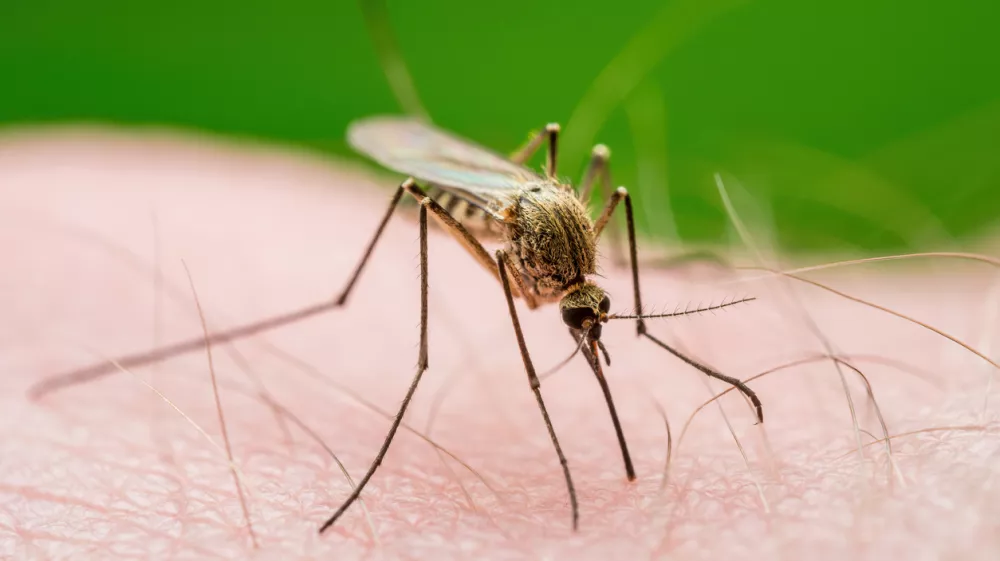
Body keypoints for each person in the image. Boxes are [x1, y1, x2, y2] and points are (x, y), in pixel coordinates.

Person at [2, 127, 997, 559]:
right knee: (474, 190)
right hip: (485, 210)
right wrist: (509, 223)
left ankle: (634, 296)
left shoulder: (586, 263)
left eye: (592, 317)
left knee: (599, 176)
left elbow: (596, 218)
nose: (585, 332)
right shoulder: (541, 272)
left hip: (533, 211)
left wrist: (632, 313)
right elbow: (511, 237)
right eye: (591, 317)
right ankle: (336, 307)